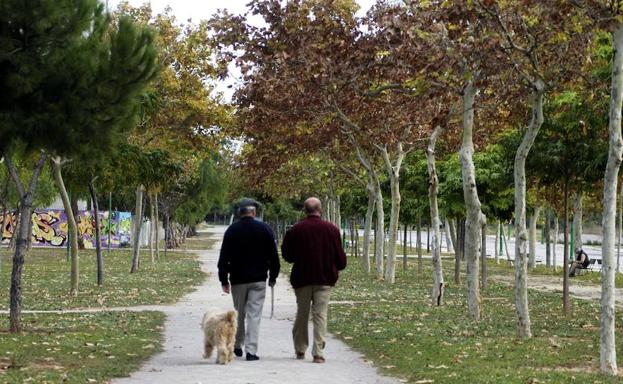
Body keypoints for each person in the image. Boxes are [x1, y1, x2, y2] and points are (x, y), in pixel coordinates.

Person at [281, 197, 347, 363]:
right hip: (325, 279)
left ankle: (300, 349)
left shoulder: (296, 230)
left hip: (302, 278)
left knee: (302, 314)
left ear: (305, 210)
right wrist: (336, 266)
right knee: (320, 315)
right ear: (320, 209)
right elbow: (341, 259)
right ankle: (318, 352)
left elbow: (287, 255)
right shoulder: (332, 230)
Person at [217, 198, 280, 361]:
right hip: (258, 280)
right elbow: (274, 257)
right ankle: (251, 350)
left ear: (239, 214)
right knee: (254, 315)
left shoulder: (232, 230)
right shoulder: (265, 229)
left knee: (239, 313)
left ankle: (237, 345)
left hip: (238, 280)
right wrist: (273, 277)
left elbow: (223, 258)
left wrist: (224, 280)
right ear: (254, 212)